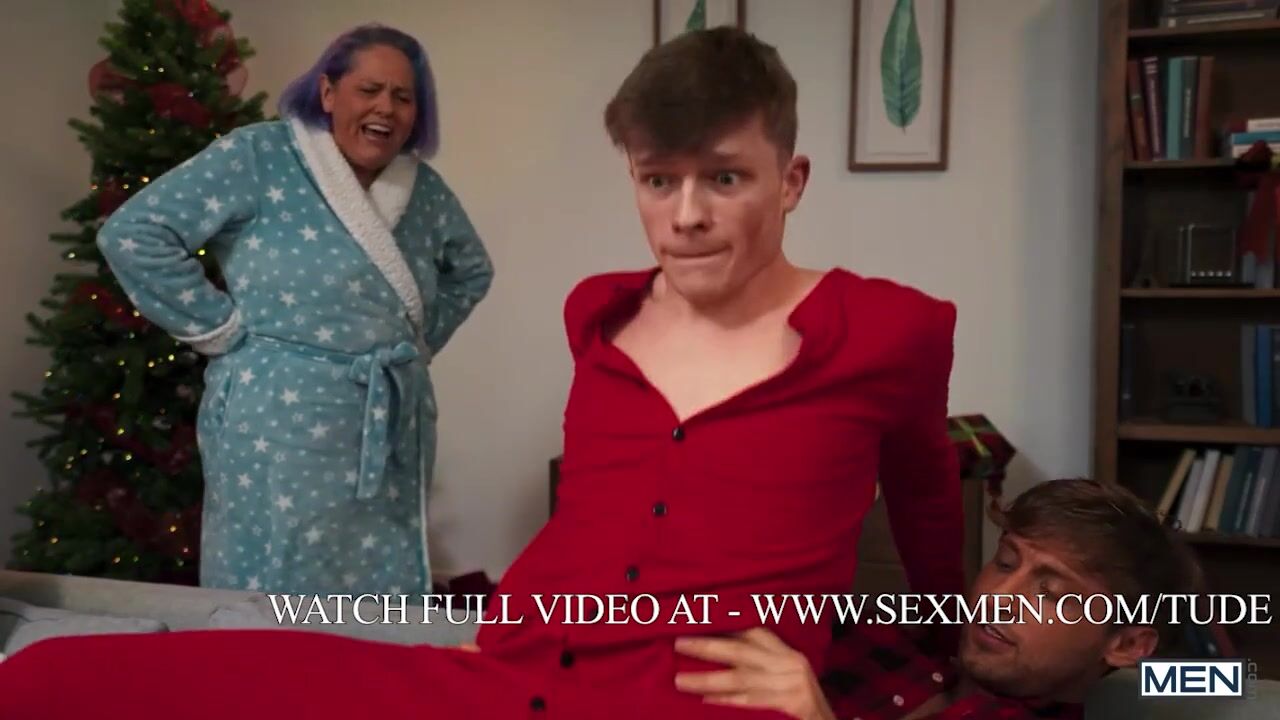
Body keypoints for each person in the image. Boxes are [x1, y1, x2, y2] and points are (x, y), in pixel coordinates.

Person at [0, 27, 957, 719]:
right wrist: (505, 624)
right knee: (53, 680)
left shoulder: (892, 332)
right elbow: (596, 516)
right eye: (658, 179)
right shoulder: (600, 316)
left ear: (790, 181)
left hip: (701, 697)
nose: (686, 216)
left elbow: (926, 505)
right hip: (516, 671)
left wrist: (935, 663)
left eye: (726, 178)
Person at [94, 24, 494, 595]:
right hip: (276, 419)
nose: (386, 108)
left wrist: (416, 344)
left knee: (375, 588)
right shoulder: (260, 155)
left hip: (387, 420)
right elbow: (134, 233)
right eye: (369, 90)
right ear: (328, 92)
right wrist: (216, 327)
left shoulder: (421, 188)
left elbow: (472, 270)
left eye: (403, 97)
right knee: (274, 583)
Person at [678, 478, 1201, 720]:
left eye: (1050, 592)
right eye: (1005, 562)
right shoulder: (892, 637)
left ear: (1126, 643)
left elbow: (1227, 681)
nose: (998, 597)